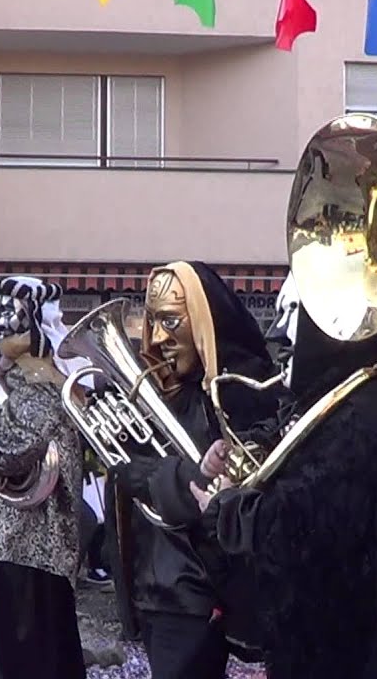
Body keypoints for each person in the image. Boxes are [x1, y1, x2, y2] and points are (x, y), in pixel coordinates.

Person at [191, 299, 377, 678]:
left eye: (296, 310)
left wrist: (226, 509)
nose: (281, 331)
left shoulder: (357, 410)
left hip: (347, 652)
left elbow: (308, 527)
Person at [105, 260, 282, 679]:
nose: (158, 338)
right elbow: (124, 470)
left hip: (198, 586)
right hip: (158, 583)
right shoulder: (156, 392)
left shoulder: (244, 389)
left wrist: (180, 477)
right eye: (153, 322)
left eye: (171, 321)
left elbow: (252, 477)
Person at [0, 276, 87, 679]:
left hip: (21, 553)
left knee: (14, 660)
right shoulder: (14, 383)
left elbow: (18, 450)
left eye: (8, 314)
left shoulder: (41, 386)